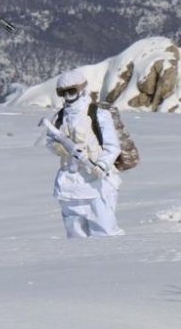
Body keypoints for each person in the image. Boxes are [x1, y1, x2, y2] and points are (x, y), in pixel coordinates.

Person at [42, 69, 124, 238]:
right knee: (76, 237)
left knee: (105, 233)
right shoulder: (59, 118)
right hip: (69, 185)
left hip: (97, 184)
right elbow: (50, 142)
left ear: (81, 89)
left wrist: (102, 165)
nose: (67, 97)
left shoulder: (98, 114)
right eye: (62, 93)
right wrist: (60, 147)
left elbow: (112, 146)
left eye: (71, 91)